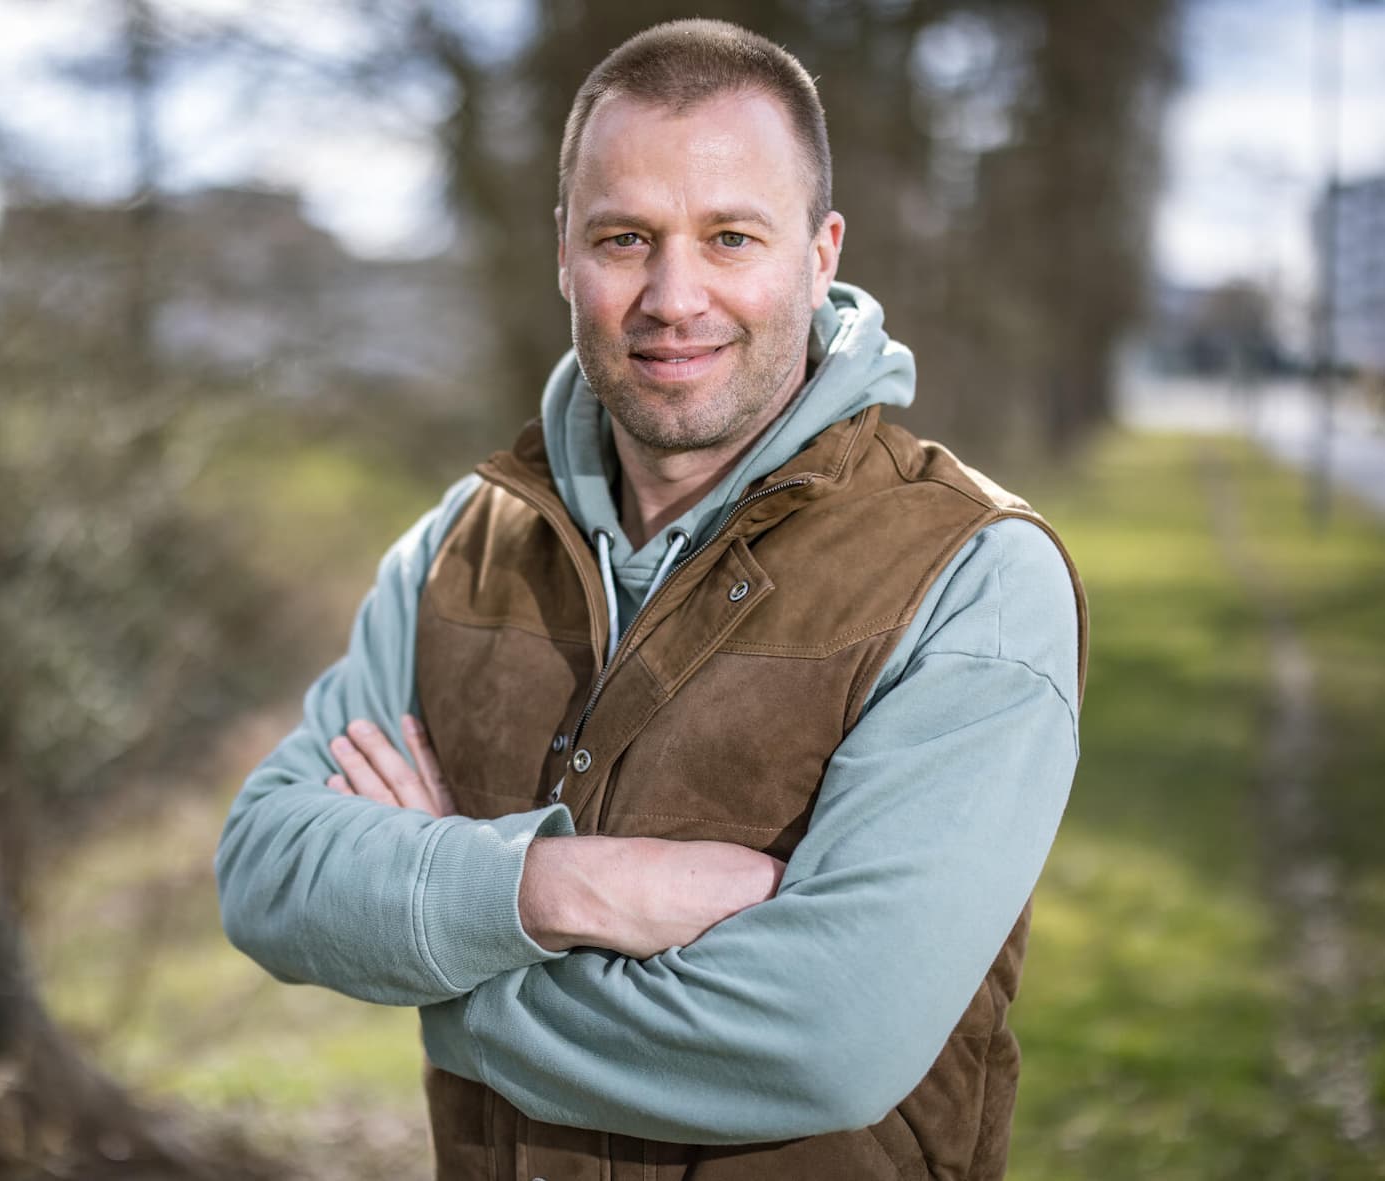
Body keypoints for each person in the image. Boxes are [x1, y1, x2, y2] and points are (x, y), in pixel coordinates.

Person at [215, 18, 1085, 1180]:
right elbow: (268, 867)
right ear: (563, 252)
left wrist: (441, 961)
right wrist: (555, 884)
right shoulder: (457, 550)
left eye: (731, 237)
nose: (675, 296)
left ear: (821, 254)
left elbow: (823, 1039)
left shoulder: (974, 573)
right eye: (627, 238)